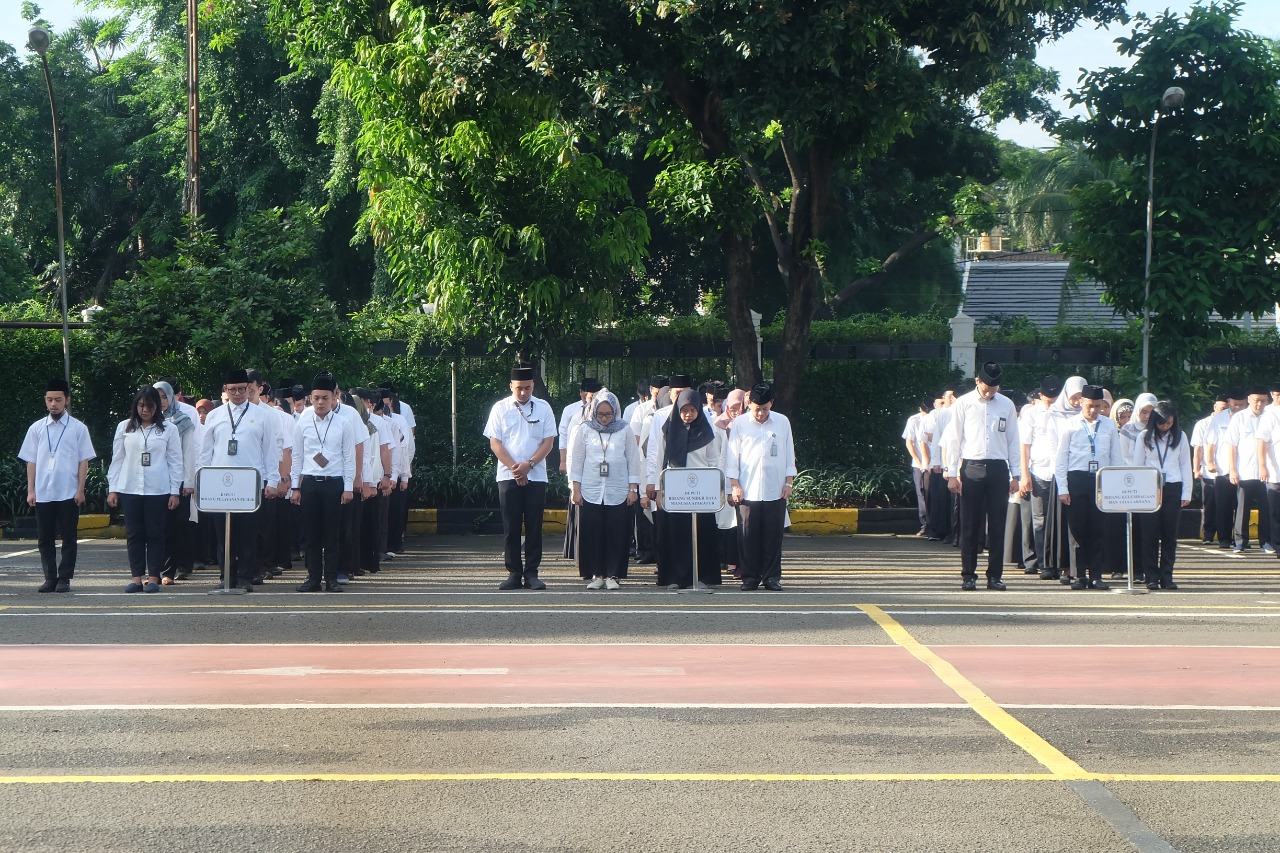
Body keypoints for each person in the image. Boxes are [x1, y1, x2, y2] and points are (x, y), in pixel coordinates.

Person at [197, 368, 281, 591]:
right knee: (223, 533)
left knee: (248, 532)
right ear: (225, 390)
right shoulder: (215, 415)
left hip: (249, 483)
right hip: (219, 481)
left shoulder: (263, 415)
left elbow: (270, 451)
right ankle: (227, 576)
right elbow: (205, 452)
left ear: (249, 389)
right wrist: (200, 479)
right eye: (232, 389)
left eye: (242, 389)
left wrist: (272, 481)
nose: (237, 393)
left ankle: (246, 576)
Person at [945, 363, 1021, 591]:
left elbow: (1013, 441)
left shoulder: (1006, 404)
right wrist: (951, 473)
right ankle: (968, 575)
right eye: (986, 388)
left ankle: (995, 576)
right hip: (972, 467)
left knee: (997, 525)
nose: (989, 393)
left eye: (994, 389)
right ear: (978, 381)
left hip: (998, 467)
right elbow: (954, 439)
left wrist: (1015, 474)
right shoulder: (964, 403)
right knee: (969, 524)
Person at [18, 378, 96, 593]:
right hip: (43, 492)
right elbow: (31, 461)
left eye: (58, 400)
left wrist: (80, 489)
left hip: (68, 492)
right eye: (50, 400)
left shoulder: (78, 428)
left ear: (66, 400)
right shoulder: (37, 428)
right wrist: (31, 490)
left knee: (69, 537)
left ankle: (65, 578)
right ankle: (49, 577)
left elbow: (84, 460)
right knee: (45, 538)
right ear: (45, 400)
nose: (54, 404)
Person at [484, 366, 557, 590]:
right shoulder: (500, 408)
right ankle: (514, 573)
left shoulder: (543, 408)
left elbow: (548, 442)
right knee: (511, 526)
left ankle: (532, 573)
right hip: (508, 476)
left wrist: (530, 465)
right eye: (519, 388)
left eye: (527, 388)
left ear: (533, 386)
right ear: (511, 387)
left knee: (534, 526)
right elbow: (495, 442)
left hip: (536, 476)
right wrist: (516, 469)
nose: (523, 392)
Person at [107, 386, 184, 593]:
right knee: (134, 534)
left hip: (157, 489)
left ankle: (153, 578)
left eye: (150, 406)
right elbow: (117, 459)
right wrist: (113, 489)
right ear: (136, 406)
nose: (145, 410)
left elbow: (175, 461)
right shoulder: (125, 427)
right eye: (141, 406)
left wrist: (174, 491)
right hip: (130, 488)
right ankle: (136, 578)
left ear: (157, 407)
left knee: (155, 534)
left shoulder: (169, 429)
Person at [648, 388, 724, 589]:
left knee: (701, 535)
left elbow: (714, 461)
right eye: (684, 410)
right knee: (677, 534)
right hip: (676, 491)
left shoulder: (707, 432)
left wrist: (717, 488)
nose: (688, 415)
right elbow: (660, 461)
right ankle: (677, 578)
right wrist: (658, 489)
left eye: (692, 410)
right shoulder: (668, 431)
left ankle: (702, 578)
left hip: (702, 493)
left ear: (699, 409)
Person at [290, 373, 358, 592]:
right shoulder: (303, 422)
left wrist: (348, 487)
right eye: (317, 397)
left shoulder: (344, 423)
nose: (320, 402)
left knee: (332, 534)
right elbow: (297, 455)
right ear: (310, 397)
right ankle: (312, 578)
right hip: (310, 483)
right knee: (311, 534)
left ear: (334, 398)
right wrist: (295, 486)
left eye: (325, 398)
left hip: (334, 483)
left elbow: (349, 457)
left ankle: (331, 578)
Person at [726, 383, 796, 591]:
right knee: (748, 536)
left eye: (765, 408)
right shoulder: (739, 424)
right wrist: (734, 485)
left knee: (773, 536)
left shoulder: (782, 422)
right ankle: (750, 577)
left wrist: (788, 482)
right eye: (757, 408)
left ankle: (772, 576)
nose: (761, 413)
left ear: (771, 404)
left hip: (775, 488)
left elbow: (789, 452)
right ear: (749, 404)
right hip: (748, 489)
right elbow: (732, 456)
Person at [569, 388, 641, 589]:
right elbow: (577, 461)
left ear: (615, 412)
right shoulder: (584, 428)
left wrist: (633, 489)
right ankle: (597, 574)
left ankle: (613, 575)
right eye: (600, 414)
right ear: (593, 412)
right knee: (594, 532)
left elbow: (633, 460)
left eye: (608, 414)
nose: (604, 418)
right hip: (591, 489)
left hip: (618, 488)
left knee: (616, 532)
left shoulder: (624, 429)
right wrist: (576, 489)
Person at [1055, 384, 1121, 590]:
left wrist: (1114, 485)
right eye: (1090, 406)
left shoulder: (1109, 426)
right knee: (1077, 529)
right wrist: (1063, 488)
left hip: (1101, 479)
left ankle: (1096, 574)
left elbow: (1115, 457)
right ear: (1081, 403)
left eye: (1098, 406)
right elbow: (1061, 459)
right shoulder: (1071, 424)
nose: (1093, 410)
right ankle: (1078, 575)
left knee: (1098, 529)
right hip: (1077, 478)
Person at [1134, 401, 1191, 590]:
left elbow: (1185, 465)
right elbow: (1138, 466)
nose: (1166, 427)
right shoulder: (1143, 437)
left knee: (1169, 534)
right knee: (1149, 534)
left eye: (1169, 423)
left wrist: (1186, 492)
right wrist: (1138, 493)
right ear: (1154, 422)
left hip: (1173, 487)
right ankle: (1150, 576)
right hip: (1149, 487)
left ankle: (1167, 576)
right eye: (1162, 424)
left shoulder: (1180, 436)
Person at [153, 381, 198, 584]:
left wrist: (189, 481)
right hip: (155, 482)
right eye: (157, 397)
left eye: (164, 397)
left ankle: (179, 567)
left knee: (179, 525)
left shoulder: (183, 420)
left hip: (178, 481)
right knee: (157, 527)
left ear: (172, 397)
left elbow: (189, 453)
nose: (161, 401)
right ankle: (158, 569)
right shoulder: (147, 420)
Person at [1019, 376, 1063, 579]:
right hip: (1038, 471)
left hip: (1060, 474)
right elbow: (1024, 446)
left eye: (1055, 396)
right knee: (1039, 520)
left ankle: (1057, 562)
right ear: (1040, 395)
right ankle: (1044, 564)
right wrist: (1024, 474)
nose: (1052, 400)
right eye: (1048, 397)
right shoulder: (1031, 414)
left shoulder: (1065, 413)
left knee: (1059, 521)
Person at [559, 378, 601, 560]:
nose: (590, 400)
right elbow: (565, 437)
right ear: (582, 394)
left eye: (594, 397)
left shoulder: (608, 413)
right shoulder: (574, 413)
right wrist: (564, 462)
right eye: (588, 396)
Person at [1226, 387, 1272, 554]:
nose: (1259, 404)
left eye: (1263, 400)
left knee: (1266, 507)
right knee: (1242, 507)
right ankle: (1240, 541)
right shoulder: (1239, 418)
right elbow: (1232, 445)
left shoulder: (1271, 417)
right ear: (1249, 399)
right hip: (1245, 469)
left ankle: (1266, 541)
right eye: (1256, 400)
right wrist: (1232, 469)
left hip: (1268, 471)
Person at [1205, 388, 1247, 549]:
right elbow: (1211, 443)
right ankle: (1224, 538)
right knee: (1223, 505)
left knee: (1242, 506)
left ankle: (1241, 539)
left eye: (1241, 405)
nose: (1238, 407)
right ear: (1229, 402)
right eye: (1235, 404)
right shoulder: (1218, 419)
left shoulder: (1248, 418)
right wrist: (1210, 462)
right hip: (1223, 469)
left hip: (1244, 469)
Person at [714, 388, 746, 579]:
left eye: (739, 407)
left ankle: (743, 563)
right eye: (732, 407)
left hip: (747, 480)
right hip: (726, 477)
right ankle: (730, 561)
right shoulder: (718, 424)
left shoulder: (746, 425)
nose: (735, 411)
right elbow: (719, 455)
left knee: (744, 526)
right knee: (729, 525)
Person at [1191, 395, 1228, 545]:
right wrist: (1196, 468)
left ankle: (1226, 536)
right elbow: (1198, 448)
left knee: (1227, 505)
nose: (1224, 411)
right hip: (1209, 471)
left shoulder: (1232, 422)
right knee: (1209, 504)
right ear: (1215, 407)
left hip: (1226, 472)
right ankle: (1208, 535)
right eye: (1222, 408)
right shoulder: (1203, 424)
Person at [903, 398, 931, 537]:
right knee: (922, 494)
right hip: (919, 464)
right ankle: (925, 524)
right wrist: (920, 464)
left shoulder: (936, 417)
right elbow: (910, 443)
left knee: (934, 495)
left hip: (936, 463)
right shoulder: (914, 420)